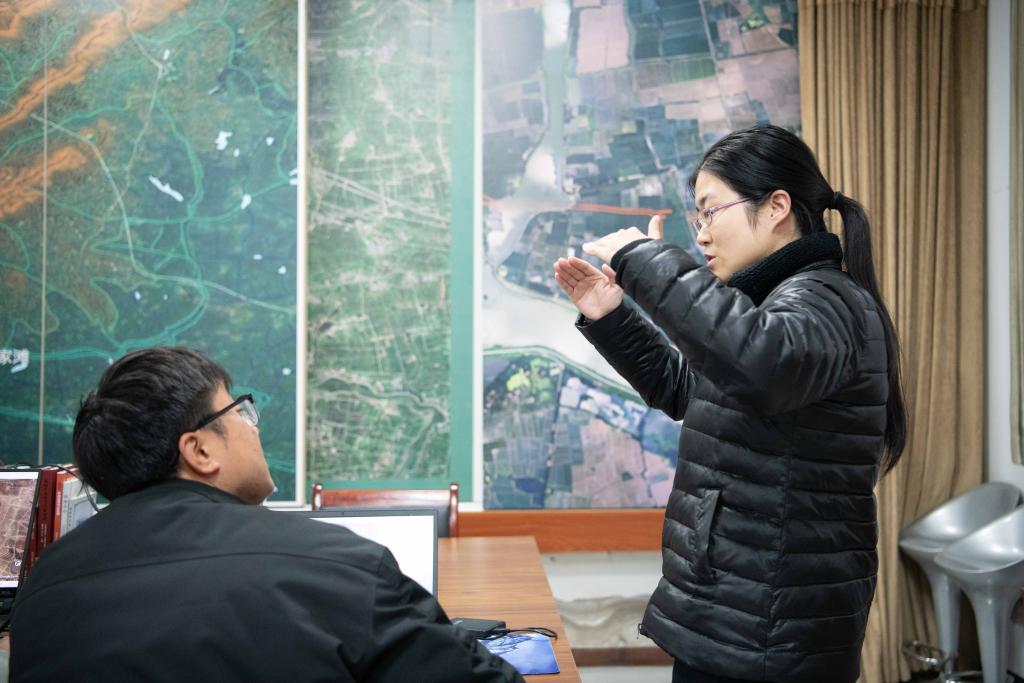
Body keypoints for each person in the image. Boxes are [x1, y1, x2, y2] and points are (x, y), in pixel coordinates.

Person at [553, 124, 907, 683]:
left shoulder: (824, 300)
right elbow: (689, 391)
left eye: (711, 212)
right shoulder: (778, 304)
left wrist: (643, 259)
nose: (702, 235)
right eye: (697, 218)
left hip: (771, 634)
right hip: (740, 615)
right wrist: (611, 315)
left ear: (777, 207)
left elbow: (759, 366)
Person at [9, 347, 522, 683]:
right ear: (200, 451)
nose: (253, 427)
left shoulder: (41, 592)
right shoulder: (334, 565)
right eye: (240, 412)